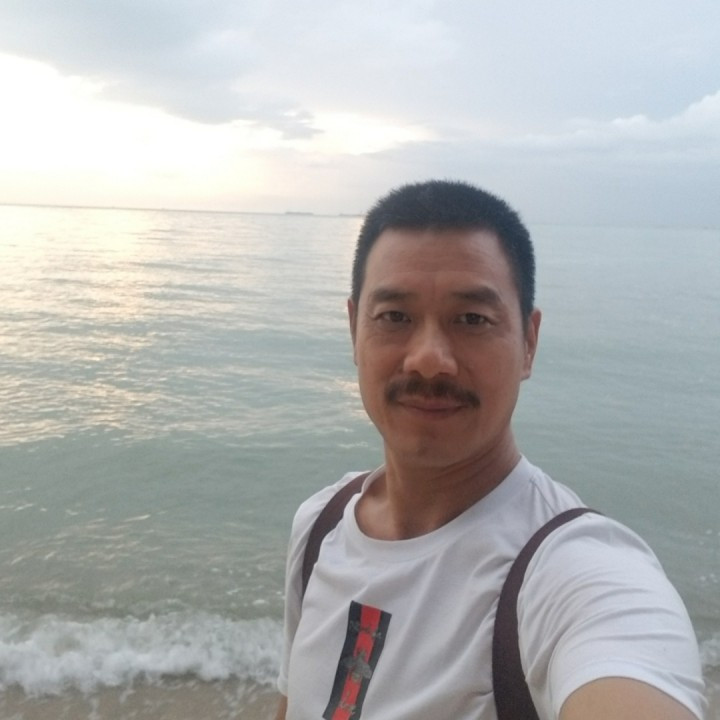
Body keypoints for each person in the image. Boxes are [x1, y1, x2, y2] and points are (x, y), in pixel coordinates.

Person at [275, 180, 706, 720]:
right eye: (394, 317)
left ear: (529, 342)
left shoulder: (570, 571)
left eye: (472, 319)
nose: (428, 359)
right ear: (353, 330)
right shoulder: (321, 525)